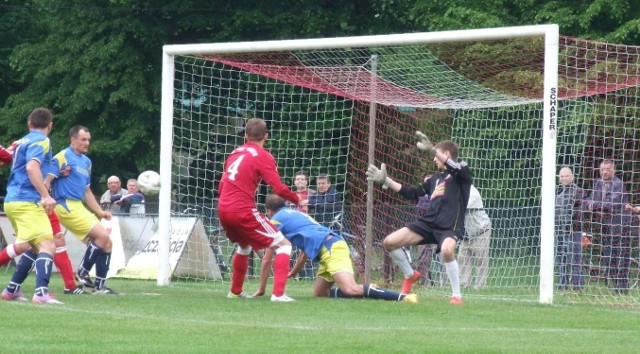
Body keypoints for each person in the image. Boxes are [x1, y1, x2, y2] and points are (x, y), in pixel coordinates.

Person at [366, 131, 472, 305]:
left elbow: (453, 166)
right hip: (428, 223)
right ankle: (410, 275)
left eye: (436, 155)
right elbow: (412, 193)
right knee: (389, 242)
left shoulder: (462, 173)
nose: (433, 160)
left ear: (445, 154)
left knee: (447, 251)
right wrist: (386, 180)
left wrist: (432, 149)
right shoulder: (435, 179)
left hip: (450, 227)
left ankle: (456, 296)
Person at [253, 194, 417, 303]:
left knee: (350, 289)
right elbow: (304, 253)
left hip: (331, 248)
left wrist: (261, 289)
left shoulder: (276, 221)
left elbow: (268, 258)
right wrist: (294, 272)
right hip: (327, 249)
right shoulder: (295, 214)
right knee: (320, 294)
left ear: (268, 211)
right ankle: (367, 292)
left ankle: (402, 298)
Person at [217, 117, 304, 302]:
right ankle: (278, 294)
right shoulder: (263, 156)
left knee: (243, 245)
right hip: (241, 210)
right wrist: (298, 199)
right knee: (284, 245)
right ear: (266, 136)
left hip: (223, 208)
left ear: (246, 136)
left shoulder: (234, 153)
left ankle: (235, 292)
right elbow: (279, 188)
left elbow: (222, 184)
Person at [0, 140, 89, 296]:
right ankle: (61, 286)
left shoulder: (27, 145)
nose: (86, 143)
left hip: (29, 201)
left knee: (34, 245)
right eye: (83, 139)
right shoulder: (39, 145)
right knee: (44, 243)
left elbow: (9, 158)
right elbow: (13, 159)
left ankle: (12, 289)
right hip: (34, 202)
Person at [0, 107, 62, 304]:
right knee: (47, 244)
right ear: (50, 126)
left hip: (12, 200)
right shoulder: (42, 140)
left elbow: (6, 156)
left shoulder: (21, 141)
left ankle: (11, 289)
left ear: (29, 124)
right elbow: (31, 167)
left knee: (30, 245)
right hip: (27, 200)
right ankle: (41, 293)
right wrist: (46, 196)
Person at [46, 125, 117, 294]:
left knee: (107, 242)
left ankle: (99, 286)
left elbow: (86, 191)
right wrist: (46, 199)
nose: (87, 143)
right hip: (64, 204)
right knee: (101, 236)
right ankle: (82, 272)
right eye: (83, 139)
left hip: (78, 205)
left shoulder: (86, 162)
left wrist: (99, 212)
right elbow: (46, 181)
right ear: (73, 140)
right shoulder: (62, 156)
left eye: (88, 140)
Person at [582, 159, 630, 293]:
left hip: (620, 225)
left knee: (621, 256)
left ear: (613, 170)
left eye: (607, 169)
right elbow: (588, 200)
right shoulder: (597, 183)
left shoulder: (618, 184)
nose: (604, 172)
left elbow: (612, 204)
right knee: (609, 257)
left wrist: (596, 206)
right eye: (602, 169)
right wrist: (597, 207)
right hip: (606, 226)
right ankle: (614, 284)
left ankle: (622, 287)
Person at [554, 167, 584, 291]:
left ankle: (578, 286)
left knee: (575, 258)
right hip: (558, 230)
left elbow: (580, 211)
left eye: (566, 176)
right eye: (561, 176)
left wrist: (570, 222)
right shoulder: (557, 191)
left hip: (573, 230)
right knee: (560, 257)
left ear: (572, 177)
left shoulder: (578, 191)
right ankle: (563, 284)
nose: (564, 178)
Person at [458, 185, 492, 289]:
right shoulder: (457, 191)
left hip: (481, 230)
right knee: (462, 258)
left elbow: (462, 206)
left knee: (481, 259)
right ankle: (464, 284)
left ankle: (480, 286)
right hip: (467, 234)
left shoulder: (473, 193)